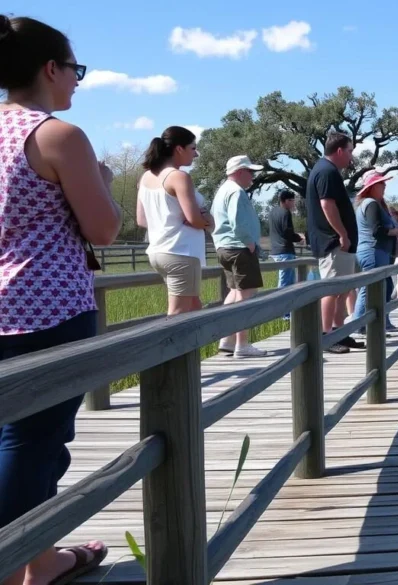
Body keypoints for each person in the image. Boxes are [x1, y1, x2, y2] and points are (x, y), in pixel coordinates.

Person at [0, 15, 122, 584]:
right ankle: (23, 564)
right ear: (51, 68)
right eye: (75, 70)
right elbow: (104, 230)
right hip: (45, 310)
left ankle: (41, 558)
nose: (76, 81)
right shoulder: (56, 136)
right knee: (35, 442)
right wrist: (97, 178)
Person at [136, 126, 210, 316]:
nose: (196, 155)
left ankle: (193, 346)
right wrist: (207, 220)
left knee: (193, 307)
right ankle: (167, 346)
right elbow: (194, 219)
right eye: (193, 148)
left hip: (159, 252)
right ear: (179, 149)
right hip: (181, 252)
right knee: (177, 314)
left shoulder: (146, 177)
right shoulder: (179, 177)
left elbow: (142, 220)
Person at [305, 132, 364, 354]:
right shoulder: (327, 171)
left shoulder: (327, 171)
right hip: (333, 242)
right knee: (331, 289)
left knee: (342, 289)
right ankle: (326, 336)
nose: (351, 157)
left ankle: (340, 332)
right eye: (349, 151)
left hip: (339, 244)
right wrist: (342, 234)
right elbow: (327, 205)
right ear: (339, 150)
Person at [211, 155, 267, 358]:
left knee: (234, 293)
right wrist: (249, 242)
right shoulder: (236, 191)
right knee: (246, 297)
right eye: (250, 172)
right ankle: (242, 345)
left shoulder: (222, 190)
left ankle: (227, 339)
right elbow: (237, 221)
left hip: (224, 248)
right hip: (239, 248)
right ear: (240, 171)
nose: (252, 177)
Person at [352, 172, 398, 333]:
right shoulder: (371, 203)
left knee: (385, 286)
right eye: (381, 183)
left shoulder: (371, 203)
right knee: (369, 289)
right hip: (373, 251)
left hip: (376, 251)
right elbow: (377, 230)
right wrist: (396, 231)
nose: (384, 186)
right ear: (372, 187)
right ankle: (359, 327)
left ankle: (381, 323)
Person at [269, 190, 304, 315]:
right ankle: (284, 313)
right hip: (285, 251)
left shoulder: (273, 212)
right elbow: (286, 231)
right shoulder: (285, 212)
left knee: (284, 281)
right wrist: (299, 238)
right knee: (286, 284)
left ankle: (284, 312)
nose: (294, 203)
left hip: (275, 250)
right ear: (286, 201)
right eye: (292, 201)